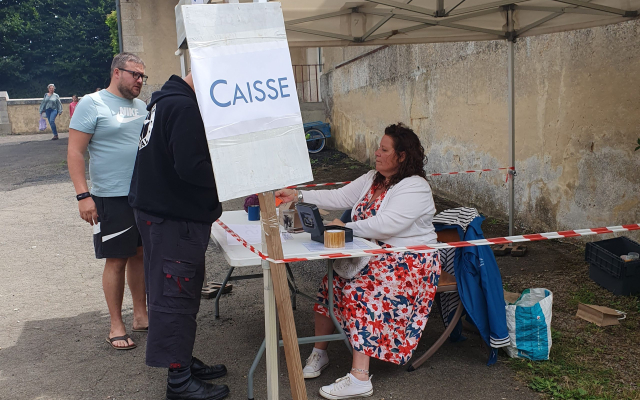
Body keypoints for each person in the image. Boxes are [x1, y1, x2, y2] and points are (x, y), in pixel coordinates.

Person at [276, 123, 441, 400]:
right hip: (375, 252)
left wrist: (344, 227)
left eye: (384, 149)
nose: (377, 153)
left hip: (410, 261)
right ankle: (320, 352)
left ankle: (360, 378)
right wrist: (298, 194)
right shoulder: (373, 179)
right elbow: (339, 196)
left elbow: (386, 225)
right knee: (330, 283)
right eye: (379, 148)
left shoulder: (415, 186)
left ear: (402, 156)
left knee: (360, 289)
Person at [128, 72, 229, 400]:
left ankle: (181, 359)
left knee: (177, 292)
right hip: (173, 218)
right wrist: (234, 174)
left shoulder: (166, 101)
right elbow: (191, 166)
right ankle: (179, 380)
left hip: (163, 214)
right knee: (175, 295)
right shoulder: (184, 107)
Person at [67, 53, 149, 351]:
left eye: (143, 76)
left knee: (140, 255)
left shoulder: (142, 107)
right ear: (117, 72)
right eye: (135, 74)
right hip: (110, 196)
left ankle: (140, 315)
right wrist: (83, 195)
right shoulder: (92, 103)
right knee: (116, 259)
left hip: (143, 195)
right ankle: (116, 325)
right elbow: (75, 152)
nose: (140, 80)